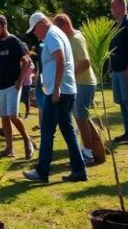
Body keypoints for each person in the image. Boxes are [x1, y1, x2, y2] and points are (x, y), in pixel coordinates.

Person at [23, 12, 87, 183]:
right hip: (65, 90)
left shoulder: (51, 35)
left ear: (42, 23)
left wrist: (56, 88)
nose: (35, 34)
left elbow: (60, 59)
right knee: (67, 130)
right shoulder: (56, 34)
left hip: (59, 92)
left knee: (47, 130)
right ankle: (79, 170)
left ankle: (42, 172)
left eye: (35, 29)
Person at [0, 15, 35, 159]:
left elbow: (26, 61)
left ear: (4, 26)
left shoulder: (14, 41)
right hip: (0, 85)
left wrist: (20, 80)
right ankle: (9, 149)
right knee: (4, 117)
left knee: (13, 115)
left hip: (13, 85)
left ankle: (27, 140)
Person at [54, 13, 99, 163]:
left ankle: (88, 153)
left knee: (81, 118)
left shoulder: (76, 39)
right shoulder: (72, 37)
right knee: (81, 119)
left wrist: (69, 75)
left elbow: (86, 62)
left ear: (66, 25)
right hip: (79, 83)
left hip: (84, 83)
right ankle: (89, 148)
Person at [110, 0, 128, 143]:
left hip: (125, 70)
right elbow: (111, 49)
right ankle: (127, 132)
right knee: (122, 103)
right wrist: (110, 66)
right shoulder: (114, 26)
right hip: (116, 70)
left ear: (123, 7)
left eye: (114, 6)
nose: (112, 10)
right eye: (111, 7)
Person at [20, 55, 34, 120]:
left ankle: (27, 114)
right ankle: (21, 114)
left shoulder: (27, 60)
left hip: (26, 83)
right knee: (23, 99)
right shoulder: (29, 60)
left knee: (26, 99)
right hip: (24, 82)